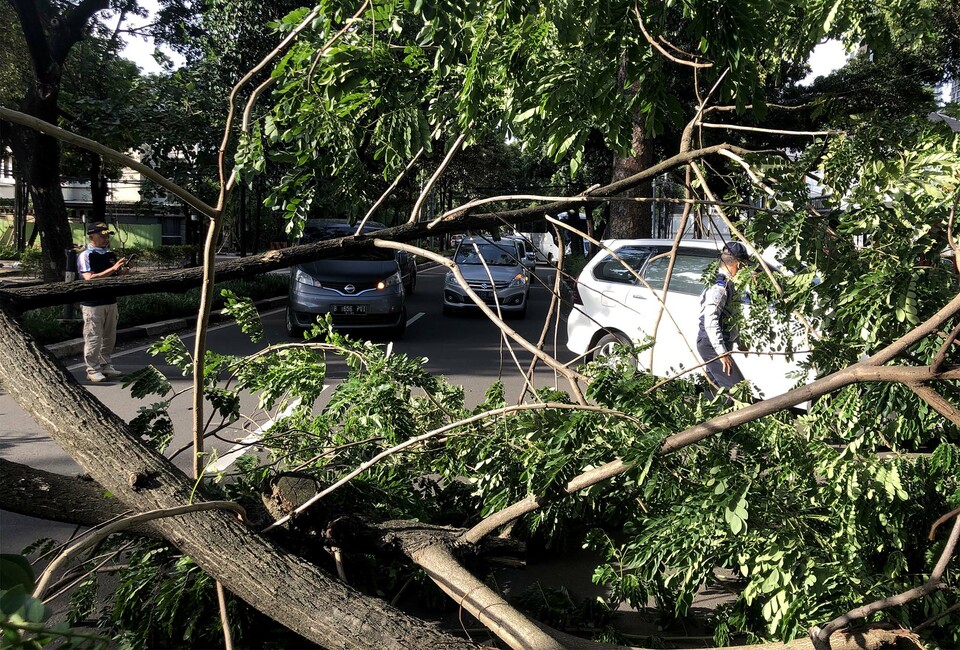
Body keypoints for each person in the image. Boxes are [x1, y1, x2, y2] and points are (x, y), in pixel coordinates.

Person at [696, 241, 751, 401]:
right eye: (743, 266)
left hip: (718, 344)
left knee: (715, 393)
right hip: (711, 345)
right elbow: (710, 319)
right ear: (738, 264)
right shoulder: (719, 287)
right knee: (738, 391)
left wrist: (739, 341)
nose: (743, 270)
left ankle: (706, 423)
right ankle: (730, 424)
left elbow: (731, 315)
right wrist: (721, 352)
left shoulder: (728, 284)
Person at [77, 222, 129, 382]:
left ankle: (105, 365)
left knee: (109, 337)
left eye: (107, 235)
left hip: (110, 300)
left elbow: (115, 276)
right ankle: (92, 369)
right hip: (92, 303)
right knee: (94, 337)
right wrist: (113, 269)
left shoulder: (109, 254)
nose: (106, 239)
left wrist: (123, 271)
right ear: (92, 236)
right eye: (102, 235)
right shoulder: (86, 255)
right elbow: (89, 278)